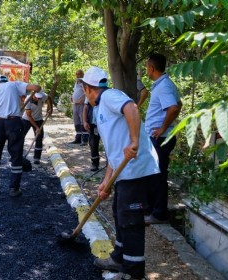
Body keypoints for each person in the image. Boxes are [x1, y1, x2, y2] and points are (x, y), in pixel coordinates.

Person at [75, 66, 160, 279]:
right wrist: (106, 182)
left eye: (83, 89)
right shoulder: (101, 107)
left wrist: (134, 141)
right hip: (123, 171)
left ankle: (132, 271)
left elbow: (132, 108)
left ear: (88, 88)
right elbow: (114, 149)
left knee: (131, 220)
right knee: (119, 214)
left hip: (136, 170)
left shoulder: (111, 96)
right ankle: (119, 258)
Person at [0, 75, 41, 197]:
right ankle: (14, 188)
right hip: (13, 123)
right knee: (16, 155)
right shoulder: (13, 85)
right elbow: (36, 87)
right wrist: (38, 89)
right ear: (6, 81)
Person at [144, 53, 182, 224]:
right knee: (154, 174)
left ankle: (158, 214)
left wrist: (163, 127)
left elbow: (173, 108)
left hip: (161, 138)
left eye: (146, 67)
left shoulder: (164, 86)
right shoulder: (164, 84)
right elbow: (179, 104)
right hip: (160, 136)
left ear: (152, 68)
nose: (146, 70)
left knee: (158, 176)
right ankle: (152, 208)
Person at [21, 91, 53, 164]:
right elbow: (29, 116)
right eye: (37, 98)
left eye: (39, 98)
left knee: (39, 138)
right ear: (33, 95)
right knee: (21, 136)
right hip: (27, 119)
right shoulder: (27, 100)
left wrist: (51, 109)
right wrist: (36, 127)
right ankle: (18, 155)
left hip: (38, 119)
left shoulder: (42, 95)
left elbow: (49, 98)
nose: (38, 100)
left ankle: (37, 158)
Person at [70, 69, 89, 146]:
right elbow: (76, 91)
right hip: (75, 104)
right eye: (76, 74)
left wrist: (84, 99)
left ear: (82, 74)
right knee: (76, 121)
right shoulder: (76, 82)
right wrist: (72, 96)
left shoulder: (84, 82)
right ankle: (78, 138)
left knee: (82, 121)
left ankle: (84, 140)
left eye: (79, 74)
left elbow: (87, 92)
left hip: (81, 105)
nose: (77, 75)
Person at [82, 99, 101, 171]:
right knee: (93, 143)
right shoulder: (89, 94)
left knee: (108, 144)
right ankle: (95, 163)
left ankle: (110, 164)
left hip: (104, 124)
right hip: (93, 124)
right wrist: (85, 122)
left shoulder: (106, 94)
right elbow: (85, 108)